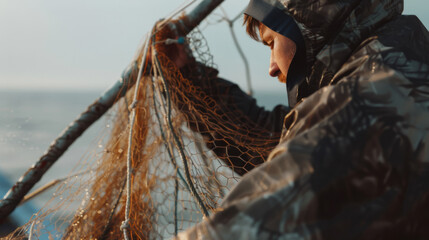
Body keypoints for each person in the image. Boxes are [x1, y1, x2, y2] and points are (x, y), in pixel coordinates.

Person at [155, 0, 429, 238]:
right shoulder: (396, 63)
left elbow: (259, 223)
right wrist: (187, 75)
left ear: (312, 23)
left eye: (272, 43)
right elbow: (273, 141)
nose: (272, 68)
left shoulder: (375, 98)